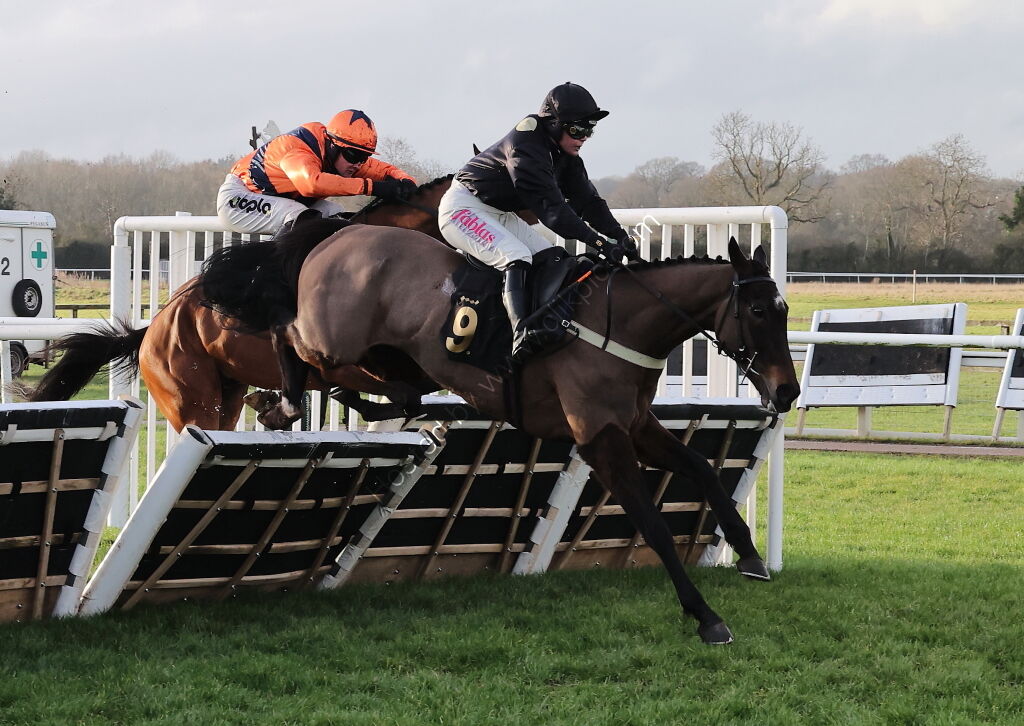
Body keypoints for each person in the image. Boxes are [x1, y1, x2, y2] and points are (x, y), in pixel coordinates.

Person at [437, 82, 639, 360]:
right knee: (516, 256)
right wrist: (598, 242)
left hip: (497, 213)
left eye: (589, 130)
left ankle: (545, 324)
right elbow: (552, 211)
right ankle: (520, 333)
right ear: (554, 124)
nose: (583, 138)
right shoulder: (525, 148)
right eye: (578, 130)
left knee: (552, 257)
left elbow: (588, 202)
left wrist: (619, 236)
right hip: (462, 209)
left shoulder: (565, 154)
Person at [217, 109, 418, 235]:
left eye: (362, 157)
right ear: (333, 145)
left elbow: (386, 171)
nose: (358, 163)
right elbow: (311, 184)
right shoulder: (298, 148)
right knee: (298, 215)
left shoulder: (343, 156)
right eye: (353, 155)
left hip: (276, 201)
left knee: (339, 218)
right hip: (238, 199)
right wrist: (372, 187)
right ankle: (268, 276)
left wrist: (406, 183)